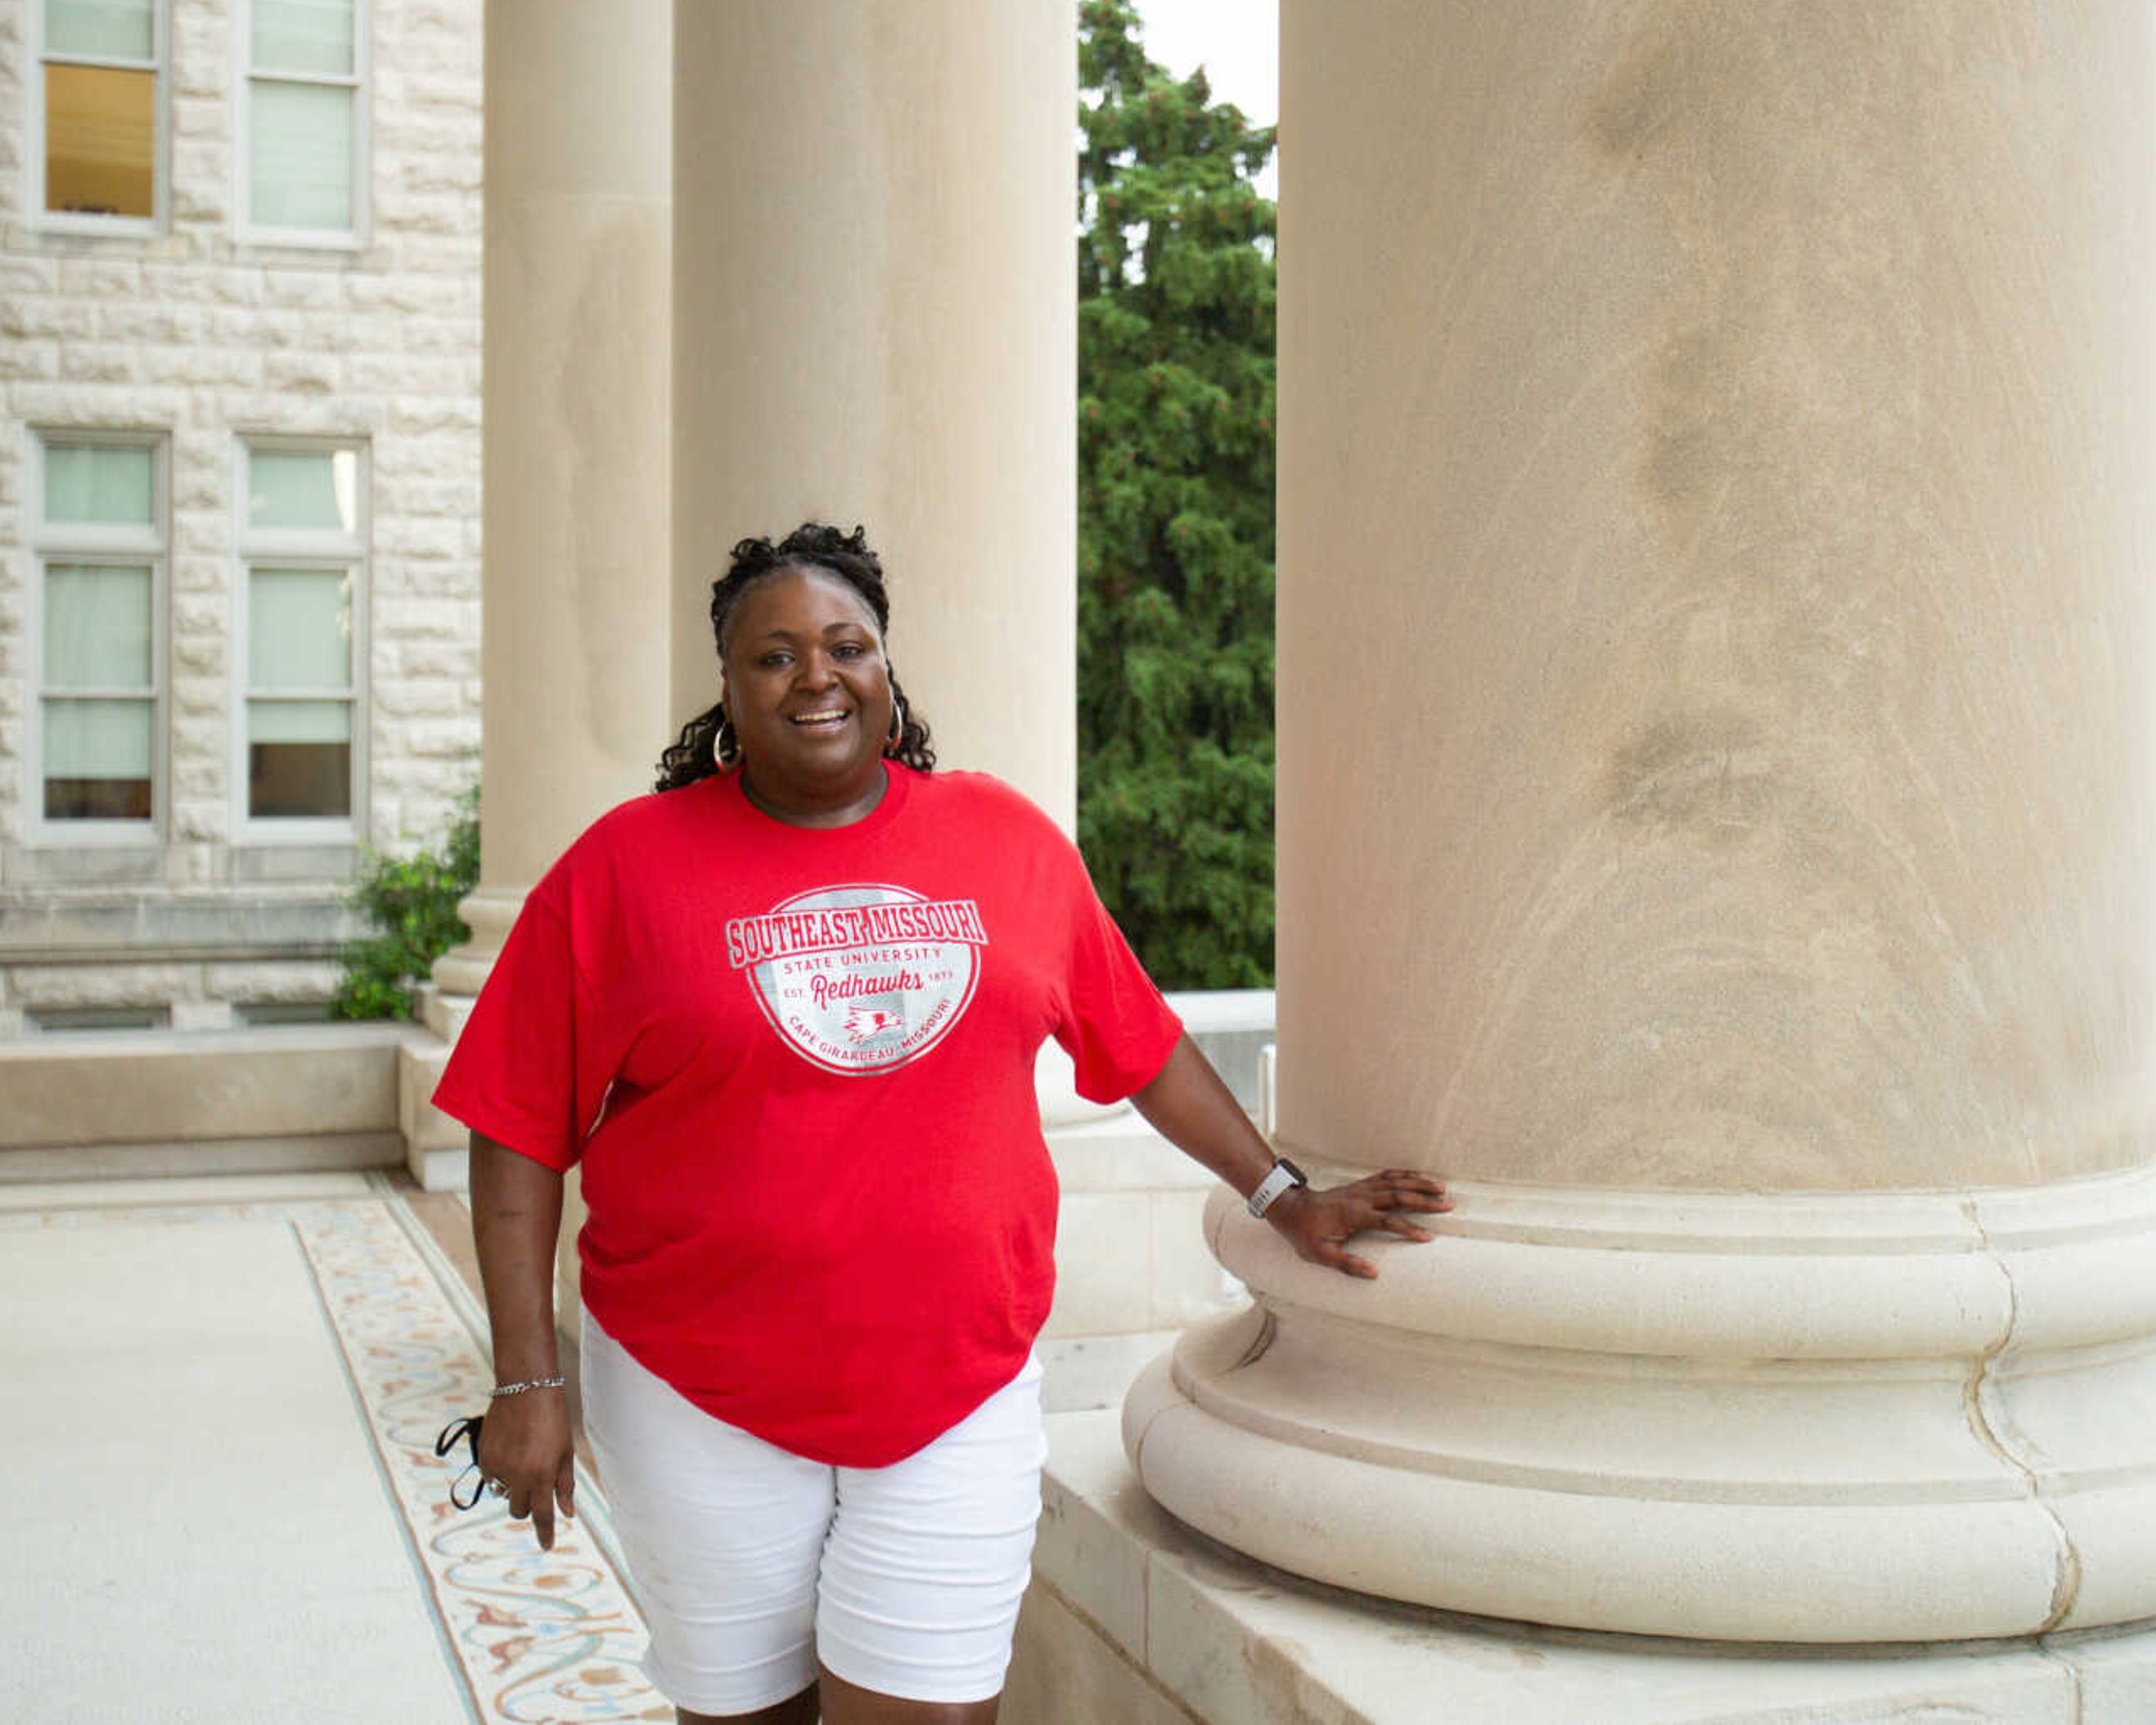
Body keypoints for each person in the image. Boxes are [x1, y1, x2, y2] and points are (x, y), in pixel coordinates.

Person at [433, 523, 1449, 1725]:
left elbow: (1142, 1045)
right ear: (727, 685)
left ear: (885, 668)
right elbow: (514, 1123)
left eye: (844, 644)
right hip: (696, 1389)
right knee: (747, 1715)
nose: (816, 675)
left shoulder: (1003, 840)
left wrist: (1283, 1194)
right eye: (775, 655)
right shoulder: (624, 869)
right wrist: (526, 1378)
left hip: (954, 1385)